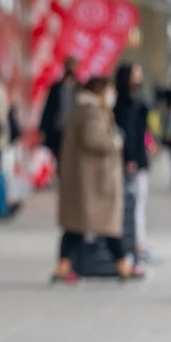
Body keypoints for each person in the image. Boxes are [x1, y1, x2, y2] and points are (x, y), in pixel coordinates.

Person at [52, 77, 143, 283]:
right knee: (106, 225)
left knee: (77, 227)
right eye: (109, 89)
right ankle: (122, 266)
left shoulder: (83, 110)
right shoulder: (91, 112)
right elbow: (94, 140)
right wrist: (115, 141)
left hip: (87, 180)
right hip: (94, 181)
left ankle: (64, 267)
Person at [114, 63, 152, 266]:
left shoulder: (135, 101)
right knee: (135, 204)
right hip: (133, 161)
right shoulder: (126, 104)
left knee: (138, 203)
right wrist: (131, 159)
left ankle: (138, 243)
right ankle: (137, 244)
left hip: (137, 158)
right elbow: (129, 134)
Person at [40, 56, 81, 160]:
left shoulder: (80, 89)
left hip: (74, 130)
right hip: (58, 129)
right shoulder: (56, 88)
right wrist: (43, 129)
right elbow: (48, 109)